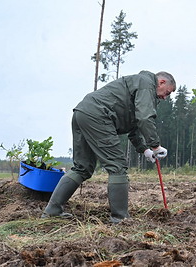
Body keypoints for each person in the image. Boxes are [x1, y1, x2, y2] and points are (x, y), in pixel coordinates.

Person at [42, 71, 176, 223]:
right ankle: (120, 218)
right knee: (117, 166)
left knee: (82, 167)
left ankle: (52, 210)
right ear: (162, 82)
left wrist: (145, 149)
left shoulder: (139, 85)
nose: (165, 97)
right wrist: (156, 145)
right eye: (167, 93)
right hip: (99, 115)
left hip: (82, 112)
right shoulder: (147, 84)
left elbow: (135, 124)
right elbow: (145, 118)